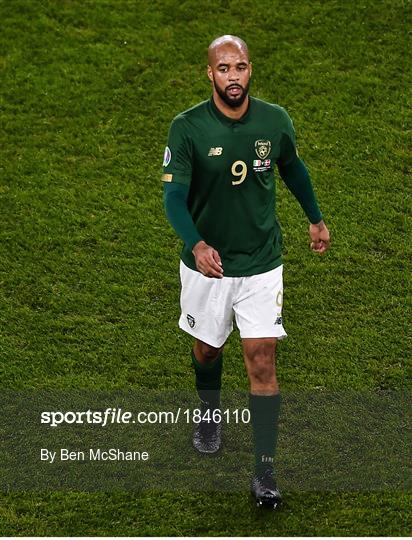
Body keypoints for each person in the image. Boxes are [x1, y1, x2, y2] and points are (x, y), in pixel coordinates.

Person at [161, 35, 330, 508]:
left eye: (239, 68)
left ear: (250, 69)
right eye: (223, 69)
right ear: (209, 74)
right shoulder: (188, 127)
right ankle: (210, 412)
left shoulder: (274, 120)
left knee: (261, 360)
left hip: (261, 262)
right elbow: (174, 196)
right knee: (208, 351)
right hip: (208, 267)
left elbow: (293, 168)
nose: (232, 77)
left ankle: (265, 472)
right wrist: (196, 244)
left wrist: (314, 219)